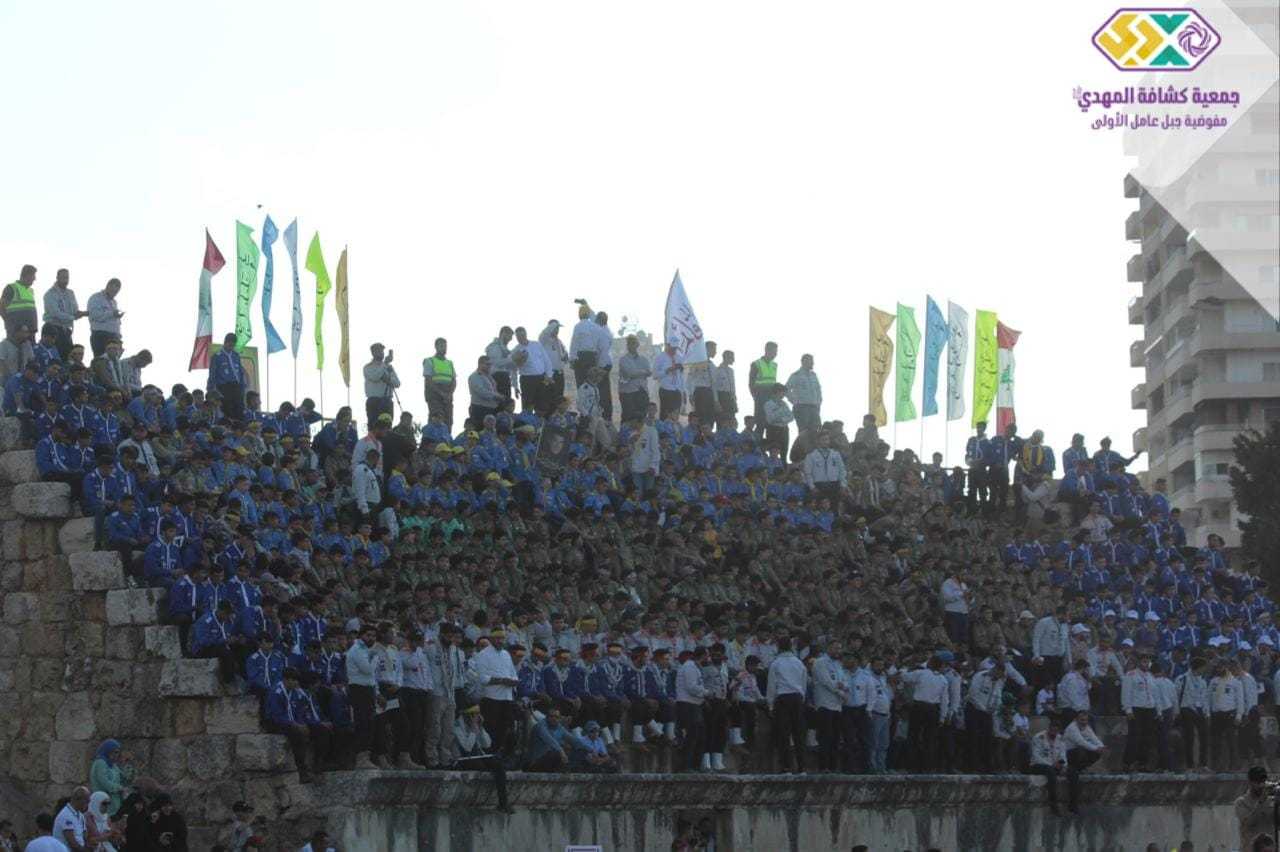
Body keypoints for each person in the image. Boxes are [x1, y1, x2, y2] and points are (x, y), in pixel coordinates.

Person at [470, 629, 520, 756]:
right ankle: (489, 756)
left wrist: (513, 681)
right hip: (491, 698)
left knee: (506, 730)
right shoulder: (483, 655)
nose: (500, 641)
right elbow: (483, 679)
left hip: (507, 698)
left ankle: (500, 756)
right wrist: (502, 680)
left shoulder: (506, 654)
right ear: (491, 639)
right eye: (497, 638)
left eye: (502, 638)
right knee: (491, 730)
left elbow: (513, 674)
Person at [767, 636, 808, 773]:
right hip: (797, 698)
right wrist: (801, 698)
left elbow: (772, 685)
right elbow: (803, 683)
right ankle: (802, 767)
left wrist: (770, 704)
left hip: (783, 698)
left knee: (784, 733)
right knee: (799, 733)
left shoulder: (776, 663)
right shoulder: (799, 663)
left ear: (779, 647)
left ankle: (786, 767)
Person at [1029, 720, 1072, 816]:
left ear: (1059, 731)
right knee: (1050, 771)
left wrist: (1063, 765)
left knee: (1073, 772)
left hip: (1055, 765)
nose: (1053, 733)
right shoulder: (1039, 737)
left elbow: (1063, 755)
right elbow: (1036, 756)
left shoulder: (1061, 739)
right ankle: (1053, 803)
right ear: (1049, 728)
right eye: (1052, 730)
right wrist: (1051, 764)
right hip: (1038, 765)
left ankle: (1073, 805)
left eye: (1056, 731)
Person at [675, 646, 708, 771]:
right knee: (690, 737)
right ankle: (685, 766)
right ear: (703, 656)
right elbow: (691, 687)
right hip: (687, 705)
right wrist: (707, 693)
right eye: (707, 656)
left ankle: (696, 765)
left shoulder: (695, 667)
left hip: (695, 705)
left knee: (700, 737)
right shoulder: (689, 667)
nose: (708, 659)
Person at [42, 268, 86, 360]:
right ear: (57, 277)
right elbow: (55, 313)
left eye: (67, 277)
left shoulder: (70, 293)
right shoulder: (50, 294)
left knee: (68, 357)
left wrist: (84, 313)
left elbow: (75, 310)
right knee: (56, 358)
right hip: (54, 329)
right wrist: (73, 317)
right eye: (63, 277)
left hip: (67, 330)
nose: (65, 280)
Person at [88, 740, 133, 815]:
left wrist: (127, 763)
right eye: (115, 752)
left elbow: (125, 779)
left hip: (114, 804)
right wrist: (120, 788)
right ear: (108, 751)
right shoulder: (100, 763)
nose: (117, 755)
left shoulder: (113, 765)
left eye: (118, 752)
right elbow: (104, 782)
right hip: (103, 803)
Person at [210, 334, 247, 423]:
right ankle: (229, 426)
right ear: (225, 343)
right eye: (230, 344)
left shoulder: (236, 355)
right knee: (228, 410)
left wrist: (242, 386)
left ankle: (239, 426)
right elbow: (212, 374)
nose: (231, 346)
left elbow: (240, 372)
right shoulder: (217, 356)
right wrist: (211, 388)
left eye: (233, 345)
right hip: (224, 387)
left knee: (239, 410)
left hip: (236, 386)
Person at [362, 343, 399, 429]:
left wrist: (388, 380)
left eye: (382, 351)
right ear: (373, 353)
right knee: (374, 427)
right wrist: (385, 364)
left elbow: (397, 383)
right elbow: (375, 377)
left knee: (387, 429)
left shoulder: (388, 367)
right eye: (378, 351)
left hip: (387, 401)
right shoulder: (368, 367)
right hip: (374, 401)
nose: (381, 353)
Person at [617, 335, 652, 425]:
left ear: (637, 345)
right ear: (627, 345)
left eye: (634, 343)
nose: (632, 345)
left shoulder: (644, 359)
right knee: (628, 417)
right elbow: (629, 373)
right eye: (629, 343)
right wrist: (642, 372)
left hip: (642, 391)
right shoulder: (623, 360)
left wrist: (636, 373)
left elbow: (649, 372)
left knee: (642, 417)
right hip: (628, 393)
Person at [1237, 766, 1273, 852]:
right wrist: (1261, 801)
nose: (1261, 785)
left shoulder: (1271, 800)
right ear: (1250, 782)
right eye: (1257, 782)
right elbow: (1248, 822)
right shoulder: (1241, 802)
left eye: (1263, 781)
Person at [422, 338, 456, 429]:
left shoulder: (450, 363)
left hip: (448, 394)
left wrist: (449, 393)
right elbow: (428, 381)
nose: (444, 348)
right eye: (441, 346)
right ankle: (431, 437)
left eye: (445, 346)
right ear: (436, 347)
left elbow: (454, 380)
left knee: (448, 420)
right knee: (436, 418)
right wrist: (441, 393)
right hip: (435, 395)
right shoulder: (429, 361)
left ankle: (446, 437)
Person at [85, 278, 123, 357]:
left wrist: (119, 335)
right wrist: (112, 314)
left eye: (116, 292)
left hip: (114, 337)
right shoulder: (96, 298)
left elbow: (115, 321)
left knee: (113, 362)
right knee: (101, 361)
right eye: (113, 290)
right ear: (108, 286)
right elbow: (93, 315)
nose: (114, 293)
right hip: (101, 336)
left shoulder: (114, 302)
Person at [785, 353, 821, 433]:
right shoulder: (796, 375)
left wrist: (818, 403)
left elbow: (818, 390)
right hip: (801, 407)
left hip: (814, 407)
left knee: (816, 431)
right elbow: (786, 389)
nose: (813, 363)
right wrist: (794, 401)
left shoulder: (814, 375)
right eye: (811, 361)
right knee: (804, 432)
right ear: (804, 362)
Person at [2, 265, 39, 339]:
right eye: (33, 276)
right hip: (16, 333)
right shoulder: (11, 288)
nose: (35, 279)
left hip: (30, 332)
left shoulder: (30, 291)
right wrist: (10, 323)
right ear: (27, 275)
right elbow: (1, 307)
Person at [467, 356, 504, 427]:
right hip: (480, 408)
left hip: (491, 408)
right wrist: (496, 396)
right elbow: (481, 392)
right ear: (480, 364)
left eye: (490, 364)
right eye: (487, 364)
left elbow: (494, 390)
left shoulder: (489, 377)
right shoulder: (475, 376)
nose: (489, 366)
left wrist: (499, 397)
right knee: (479, 429)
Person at [652, 343, 683, 421]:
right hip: (665, 390)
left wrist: (683, 390)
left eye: (675, 348)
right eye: (672, 348)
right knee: (665, 415)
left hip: (677, 390)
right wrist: (667, 370)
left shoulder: (679, 357)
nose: (674, 350)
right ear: (667, 346)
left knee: (675, 415)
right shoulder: (659, 358)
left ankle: (674, 427)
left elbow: (681, 376)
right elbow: (654, 375)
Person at [484, 326, 515, 403]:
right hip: (496, 378)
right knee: (499, 404)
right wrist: (512, 359)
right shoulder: (494, 346)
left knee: (506, 404)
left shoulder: (505, 349)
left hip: (505, 378)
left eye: (511, 337)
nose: (510, 339)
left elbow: (510, 367)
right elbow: (497, 362)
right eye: (509, 336)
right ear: (503, 334)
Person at [53, 787, 89, 851]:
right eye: (87, 801)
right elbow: (73, 844)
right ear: (78, 799)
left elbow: (84, 837)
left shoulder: (81, 816)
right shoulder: (66, 815)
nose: (88, 804)